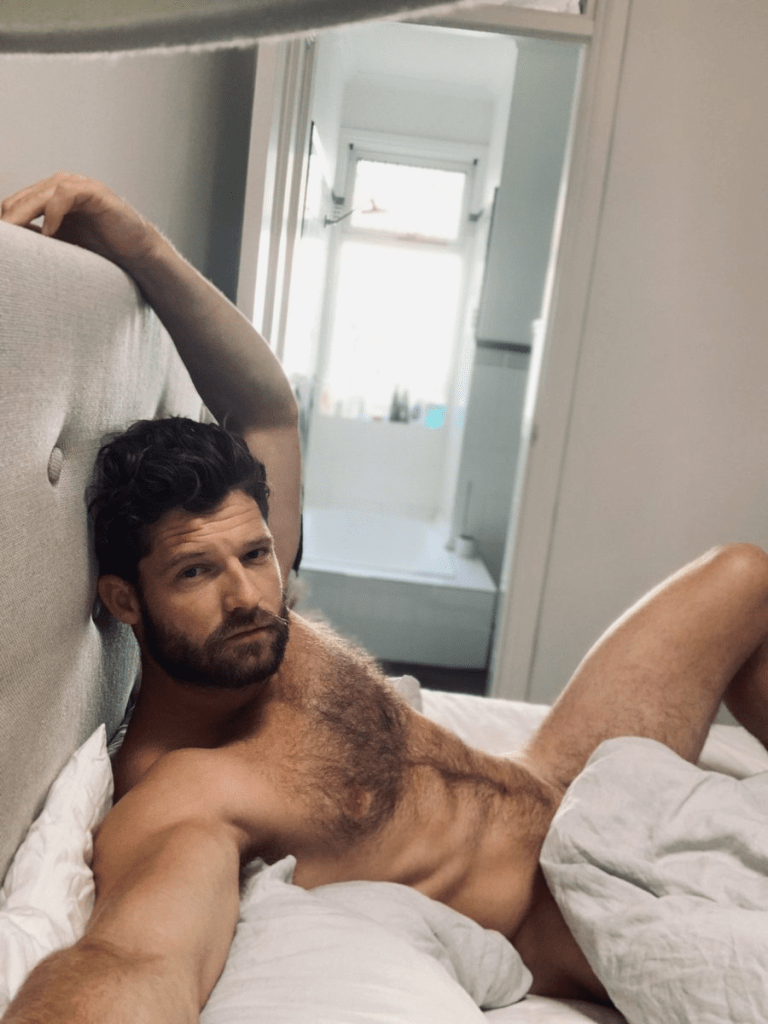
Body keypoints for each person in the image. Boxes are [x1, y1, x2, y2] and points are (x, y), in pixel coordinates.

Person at [3, 173, 768, 1022]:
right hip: (551, 907)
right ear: (123, 600)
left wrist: (134, 240)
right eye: (194, 573)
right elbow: (137, 959)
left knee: (743, 574)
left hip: (554, 780)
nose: (247, 595)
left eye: (257, 554)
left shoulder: (252, 607)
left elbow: (266, 409)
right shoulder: (186, 790)